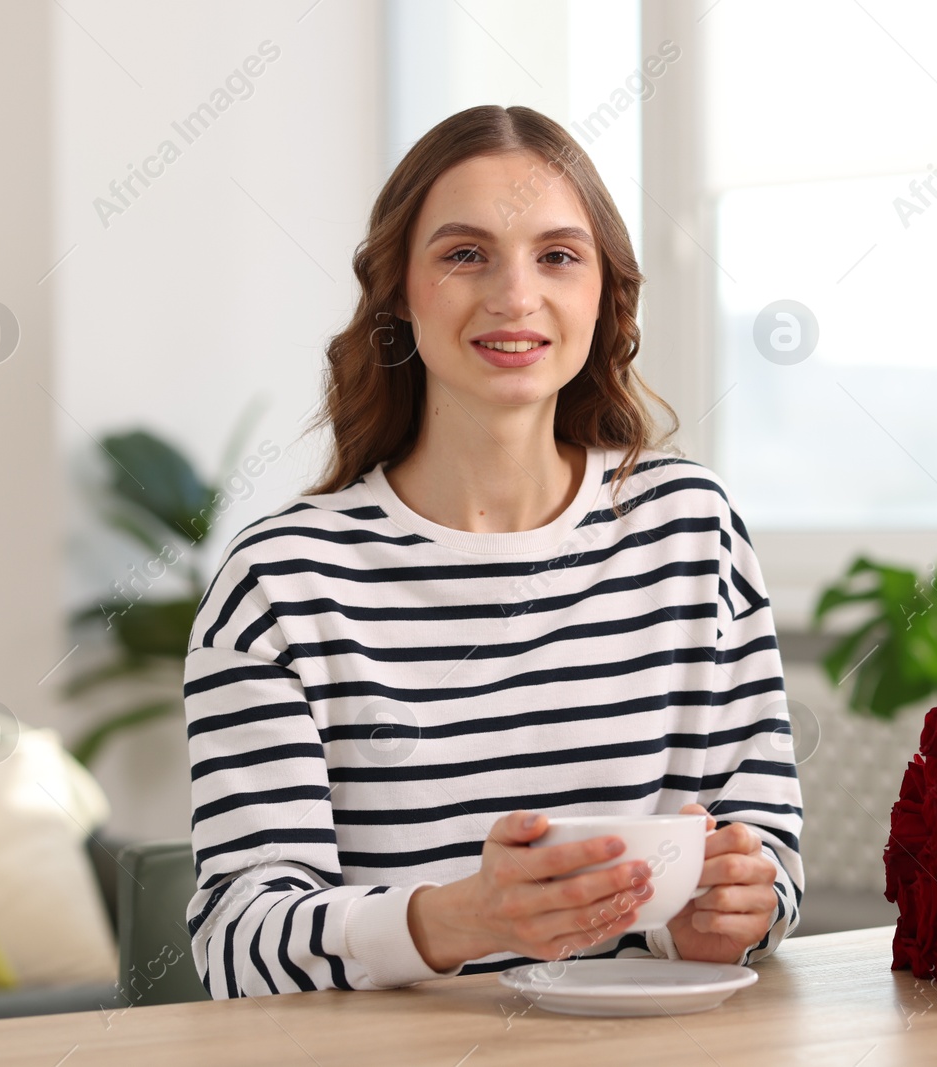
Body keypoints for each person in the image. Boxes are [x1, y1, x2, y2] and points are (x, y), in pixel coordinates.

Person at [184, 104, 804, 995]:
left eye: (557, 256)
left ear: (604, 293)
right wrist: (462, 916)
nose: (516, 296)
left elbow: (768, 855)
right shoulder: (282, 583)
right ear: (399, 289)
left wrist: (732, 911)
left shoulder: (690, 529)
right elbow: (239, 946)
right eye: (465, 254)